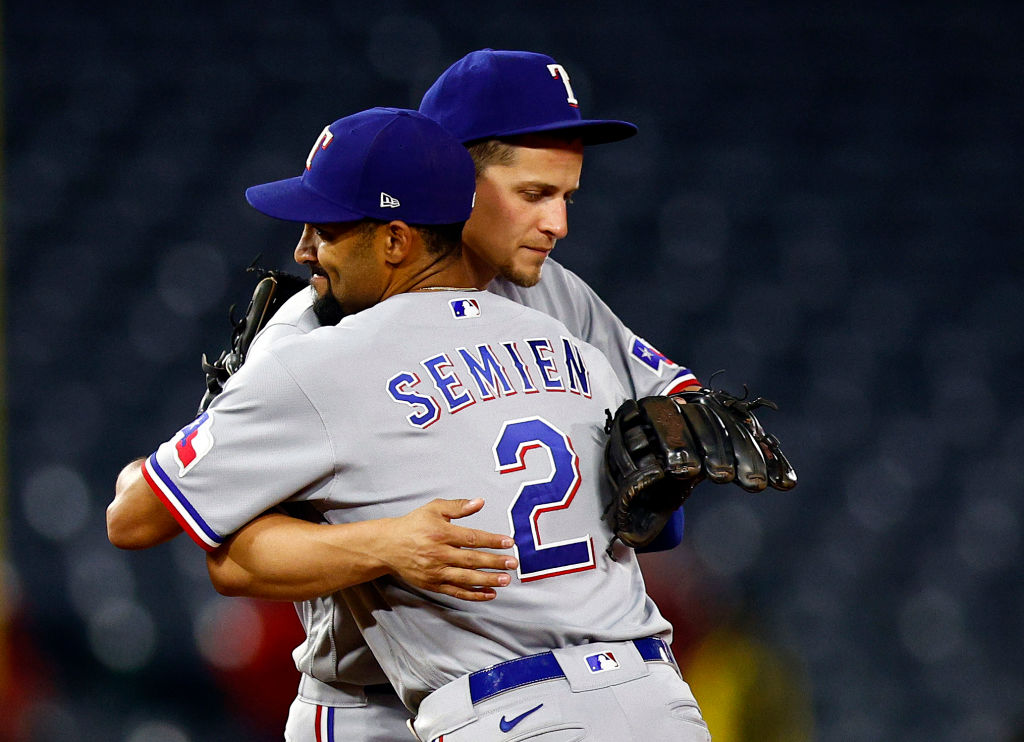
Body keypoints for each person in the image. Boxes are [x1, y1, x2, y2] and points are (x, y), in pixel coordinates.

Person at [114, 50, 702, 741]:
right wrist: (386, 543)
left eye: (565, 196)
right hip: (375, 699)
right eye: (535, 194)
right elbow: (184, 527)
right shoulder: (312, 338)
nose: (557, 223)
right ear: (455, 180)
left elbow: (673, 453)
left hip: (506, 691)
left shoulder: (555, 300)